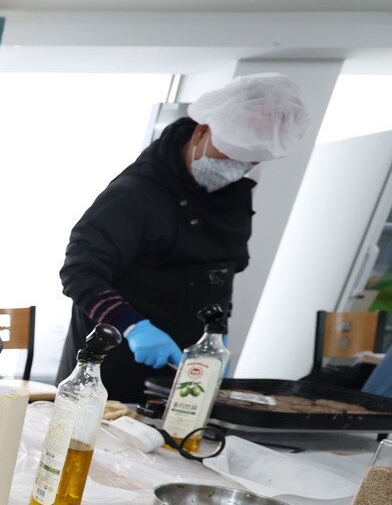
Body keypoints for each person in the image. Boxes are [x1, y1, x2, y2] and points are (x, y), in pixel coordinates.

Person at [58, 73, 310, 402]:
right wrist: (133, 327)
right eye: (229, 154)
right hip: (111, 364)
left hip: (187, 374)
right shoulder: (136, 193)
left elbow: (222, 273)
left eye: (248, 162)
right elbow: (79, 273)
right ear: (202, 130)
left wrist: (218, 336)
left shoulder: (232, 197)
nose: (235, 168)